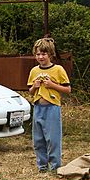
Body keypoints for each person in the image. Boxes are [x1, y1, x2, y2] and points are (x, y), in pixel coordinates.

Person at [27, 38, 71, 173]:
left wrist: (52, 85)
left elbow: (67, 89)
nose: (40, 57)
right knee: (38, 140)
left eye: (44, 54)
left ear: (50, 54)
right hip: (38, 107)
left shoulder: (58, 69)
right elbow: (30, 91)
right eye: (38, 54)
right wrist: (34, 87)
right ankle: (42, 166)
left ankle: (55, 166)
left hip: (52, 108)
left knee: (53, 139)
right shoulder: (34, 70)